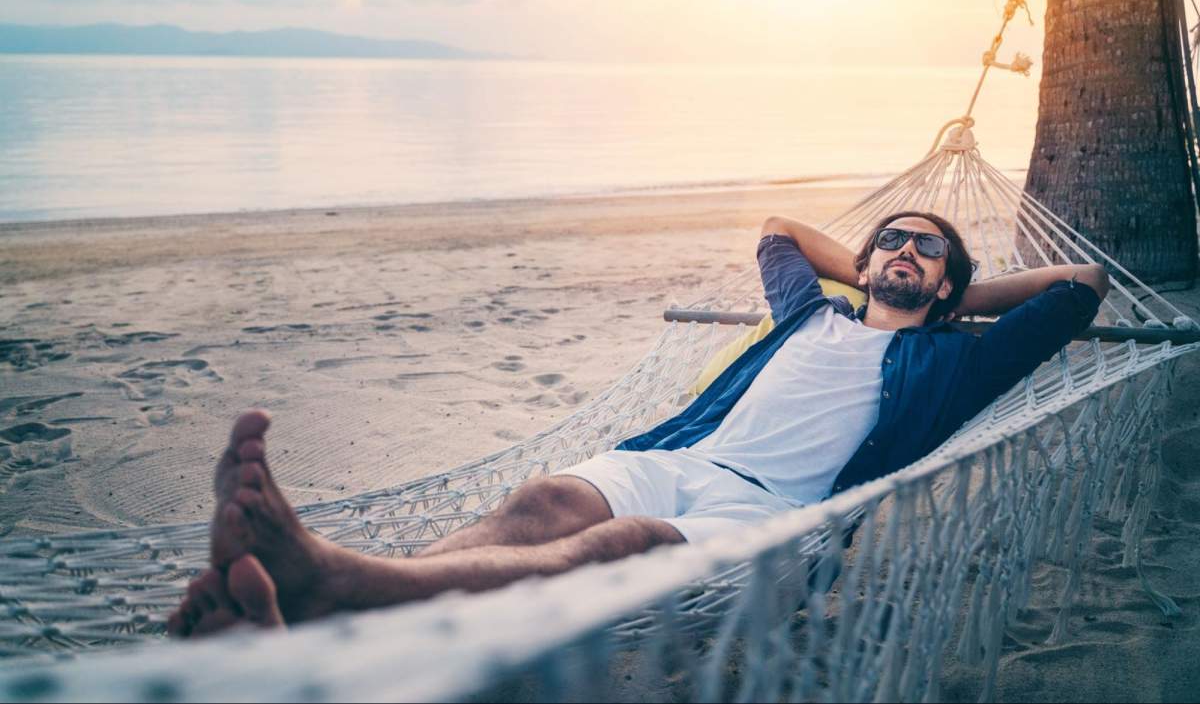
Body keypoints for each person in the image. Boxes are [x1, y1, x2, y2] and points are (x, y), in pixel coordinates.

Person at [168, 210, 1108, 636]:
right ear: (861, 267)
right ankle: (331, 597)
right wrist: (876, 265)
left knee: (615, 542)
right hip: (679, 458)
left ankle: (334, 584)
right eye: (890, 241)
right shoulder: (809, 315)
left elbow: (1082, 289)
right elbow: (780, 231)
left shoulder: (955, 361)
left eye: (925, 248)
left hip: (771, 515)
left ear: (948, 282)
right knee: (540, 498)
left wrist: (959, 297)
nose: (903, 250)